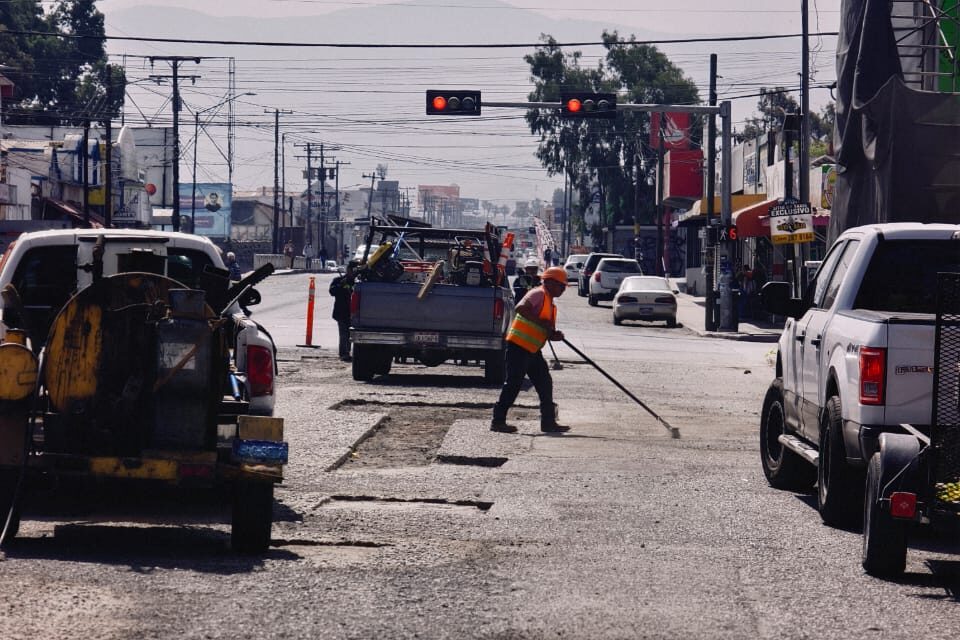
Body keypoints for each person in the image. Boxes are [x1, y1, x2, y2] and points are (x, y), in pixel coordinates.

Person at [491, 266, 570, 434]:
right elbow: (520, 308)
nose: (563, 289)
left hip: (532, 349)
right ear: (549, 282)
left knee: (545, 383)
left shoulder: (548, 300)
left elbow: (542, 327)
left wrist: (553, 335)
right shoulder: (538, 293)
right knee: (513, 383)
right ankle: (498, 421)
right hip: (519, 347)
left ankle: (548, 423)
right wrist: (543, 325)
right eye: (561, 286)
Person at [330, 261, 360, 361]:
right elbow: (332, 291)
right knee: (343, 334)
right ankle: (344, 353)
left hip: (353, 313)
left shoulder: (358, 283)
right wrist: (341, 285)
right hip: (341, 312)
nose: (352, 272)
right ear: (347, 270)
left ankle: (347, 351)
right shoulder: (339, 280)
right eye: (351, 270)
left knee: (350, 334)